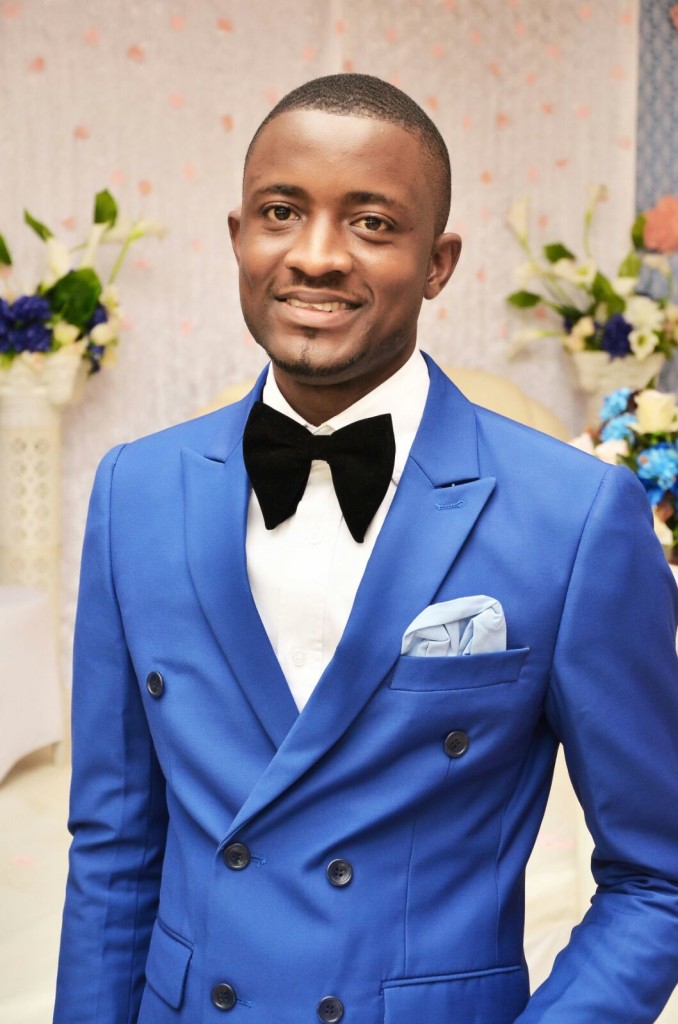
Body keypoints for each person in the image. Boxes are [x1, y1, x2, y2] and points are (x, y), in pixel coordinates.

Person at [54, 74, 678, 1024]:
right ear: (237, 237)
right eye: (281, 212)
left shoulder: (576, 515)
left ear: (438, 262)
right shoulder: (134, 490)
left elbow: (658, 875)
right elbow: (112, 850)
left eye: (373, 223)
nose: (316, 256)